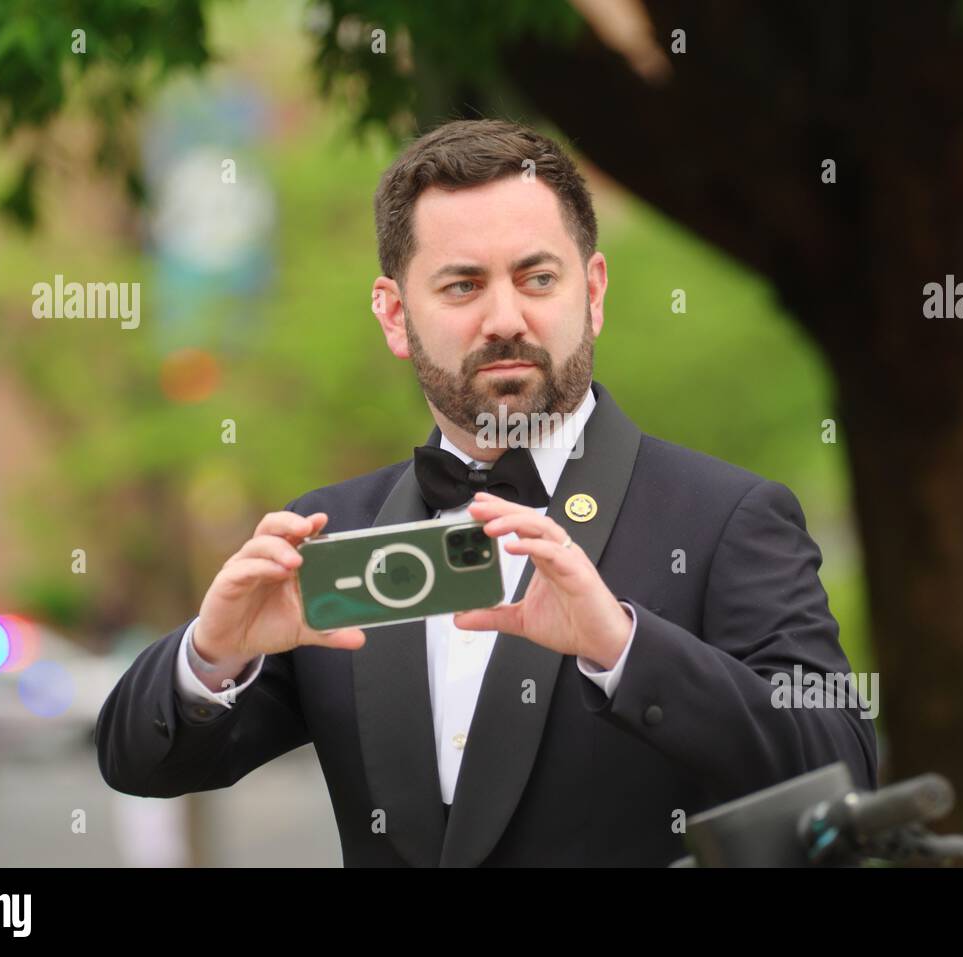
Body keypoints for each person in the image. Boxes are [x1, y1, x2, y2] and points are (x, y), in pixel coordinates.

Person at [96, 118, 877, 866]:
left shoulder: (726, 518)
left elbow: (839, 772)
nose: (506, 318)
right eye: (462, 285)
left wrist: (622, 646)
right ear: (396, 315)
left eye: (537, 276)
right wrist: (211, 653)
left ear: (593, 290)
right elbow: (139, 762)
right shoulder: (329, 537)